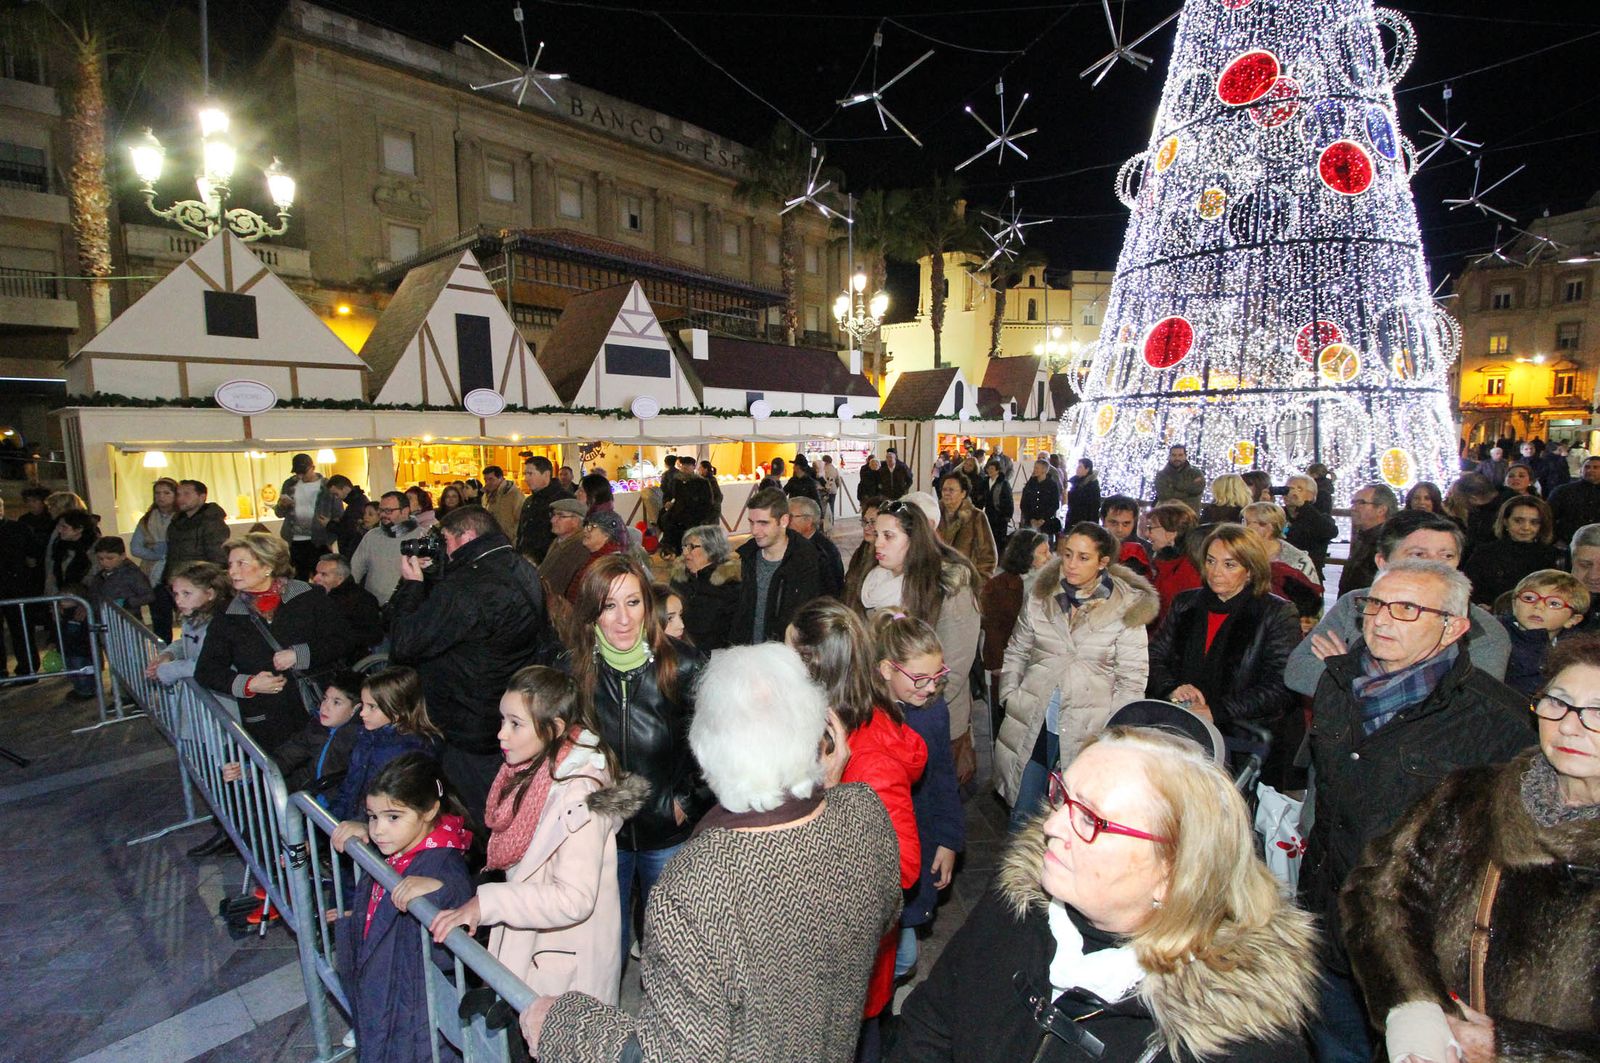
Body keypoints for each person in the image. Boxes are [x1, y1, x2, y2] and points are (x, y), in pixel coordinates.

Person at [523, 643, 900, 1063]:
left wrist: (564, 1024)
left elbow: (672, 1056)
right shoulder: (865, 814)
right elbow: (883, 911)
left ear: (703, 750)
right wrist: (824, 787)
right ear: (818, 730)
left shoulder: (693, 887)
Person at [891, 726, 1318, 1063]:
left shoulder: (1239, 1043)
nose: (1052, 826)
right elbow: (931, 1022)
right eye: (1063, 797)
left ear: (1172, 873)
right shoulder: (1016, 903)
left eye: (1091, 819)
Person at [1302, 560, 1530, 1063]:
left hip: (1418, 952)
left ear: (1454, 627)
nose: (1381, 620)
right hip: (1328, 930)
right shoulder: (1338, 684)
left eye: (1406, 609)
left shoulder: (1498, 720)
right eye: (1375, 605)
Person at [1341, 635, 1600, 1063]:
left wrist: (1510, 1049)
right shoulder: (1471, 795)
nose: (1570, 725)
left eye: (1596, 713)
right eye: (1558, 702)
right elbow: (1380, 894)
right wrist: (1415, 1008)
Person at [427, 666, 644, 1004]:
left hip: (562, 970)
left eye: (515, 724)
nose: (501, 734)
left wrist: (487, 903)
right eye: (502, 721)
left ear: (554, 729)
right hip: (538, 952)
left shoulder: (577, 797)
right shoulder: (530, 774)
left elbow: (574, 899)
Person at [786, 600, 926, 1057]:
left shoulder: (869, 761)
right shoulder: (821, 730)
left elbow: (901, 872)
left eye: (788, 656)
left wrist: (832, 795)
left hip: (847, 971)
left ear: (816, 670)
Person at [563, 554, 706, 959]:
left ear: (647, 605)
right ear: (592, 614)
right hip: (601, 835)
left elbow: (716, 747)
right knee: (605, 944)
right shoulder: (573, 673)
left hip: (666, 831)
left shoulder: (684, 664)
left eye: (633, 602)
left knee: (668, 945)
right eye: (609, 605)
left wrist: (685, 801)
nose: (623, 619)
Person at [388, 505, 553, 822]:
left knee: (478, 813)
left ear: (467, 536)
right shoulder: (519, 566)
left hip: (468, 722)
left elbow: (405, 643)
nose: (442, 549)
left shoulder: (467, 586)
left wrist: (412, 584)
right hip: (506, 709)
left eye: (446, 540)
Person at [997, 522, 1157, 830]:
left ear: (1103, 562)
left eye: (1083, 557)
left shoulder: (1124, 608)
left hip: (1089, 727)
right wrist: (1010, 694)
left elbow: (1132, 679)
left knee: (1074, 819)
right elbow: (1017, 649)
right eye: (1067, 553)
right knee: (1023, 811)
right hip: (1036, 718)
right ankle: (1019, 878)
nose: (1071, 564)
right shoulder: (1042, 596)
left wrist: (1114, 732)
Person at [333, 753, 473, 1063]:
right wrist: (364, 837)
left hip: (412, 1018)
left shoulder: (443, 866)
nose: (380, 829)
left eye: (393, 817)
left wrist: (440, 891)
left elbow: (460, 901)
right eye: (372, 816)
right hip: (385, 999)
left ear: (430, 811)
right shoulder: (397, 849)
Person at [1288, 511, 1511, 695]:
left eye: (1447, 556)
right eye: (1418, 555)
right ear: (1383, 562)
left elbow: (1461, 705)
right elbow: (1298, 671)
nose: (1435, 566)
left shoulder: (1482, 631)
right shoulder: (1355, 604)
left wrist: (1345, 671)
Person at [848, 499, 983, 786]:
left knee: (930, 806)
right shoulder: (875, 582)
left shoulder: (949, 587)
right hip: (885, 716)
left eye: (889, 536)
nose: (878, 544)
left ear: (914, 540)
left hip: (931, 717)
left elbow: (956, 667)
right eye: (877, 533)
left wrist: (915, 710)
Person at [195, 532, 344, 754]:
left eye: (241, 563)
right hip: (265, 719)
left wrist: (300, 655)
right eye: (230, 565)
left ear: (267, 565)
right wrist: (249, 684)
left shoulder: (308, 597)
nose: (232, 571)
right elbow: (207, 670)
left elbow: (343, 640)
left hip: (316, 707)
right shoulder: (228, 614)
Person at [873, 616, 964, 976]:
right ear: (885, 669)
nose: (929, 688)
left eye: (937, 676)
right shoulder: (865, 714)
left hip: (920, 834)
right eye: (919, 679)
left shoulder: (932, 711)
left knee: (904, 957)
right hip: (881, 843)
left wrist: (948, 839)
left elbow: (943, 776)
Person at [1146, 524, 1299, 736]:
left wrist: (1217, 711)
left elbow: (1281, 685)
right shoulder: (1186, 603)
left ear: (1250, 570)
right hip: (1181, 720)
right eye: (1210, 561)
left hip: (1243, 731)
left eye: (1229, 565)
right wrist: (1173, 688)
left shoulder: (1276, 613)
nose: (1216, 572)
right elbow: (1154, 656)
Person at [327, 667, 442, 823]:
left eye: (372, 707)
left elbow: (396, 810)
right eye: (363, 705)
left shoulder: (412, 753)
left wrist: (362, 826)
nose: (362, 713)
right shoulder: (366, 737)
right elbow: (349, 789)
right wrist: (329, 824)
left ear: (397, 709)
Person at [979, 529, 1051, 732]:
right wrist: (996, 664)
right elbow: (992, 628)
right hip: (1012, 662)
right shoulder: (999, 587)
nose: (1050, 557)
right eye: (1044, 552)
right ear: (1027, 555)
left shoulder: (1051, 583)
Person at [730, 489, 821, 645]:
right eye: (751, 522)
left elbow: (807, 618)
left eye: (763, 523)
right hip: (746, 654)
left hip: (782, 656)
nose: (754, 531)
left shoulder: (805, 560)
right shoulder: (746, 555)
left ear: (784, 521)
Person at [1495, 569, 1588, 696]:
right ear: (1514, 604)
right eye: (1529, 598)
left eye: (1554, 603)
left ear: (1572, 620)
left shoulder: (1576, 652)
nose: (1538, 606)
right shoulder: (1495, 635)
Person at [273, 671, 365, 798]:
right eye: (325, 699)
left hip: (331, 805)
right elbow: (288, 755)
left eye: (336, 702)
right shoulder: (316, 727)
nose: (325, 707)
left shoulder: (358, 739)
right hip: (305, 795)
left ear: (355, 709)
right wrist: (255, 770)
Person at [144, 562, 232, 689]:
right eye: (176, 594)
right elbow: (187, 642)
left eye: (186, 593)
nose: (178, 601)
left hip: (219, 699)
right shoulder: (191, 618)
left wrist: (170, 670)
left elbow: (212, 664)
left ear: (210, 594)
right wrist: (169, 654)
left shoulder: (223, 624)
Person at [1461, 494, 1560, 606]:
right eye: (1518, 521)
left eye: (1534, 522)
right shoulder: (1485, 553)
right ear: (1505, 521)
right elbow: (1467, 588)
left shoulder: (1552, 556)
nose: (1526, 527)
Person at [668, 524, 741, 652]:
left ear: (712, 550)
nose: (685, 553)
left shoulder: (729, 584)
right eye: (684, 547)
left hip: (715, 656)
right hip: (678, 651)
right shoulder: (679, 579)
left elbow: (735, 632)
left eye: (691, 547)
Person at [348, 491, 427, 606]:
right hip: (374, 606)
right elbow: (355, 570)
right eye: (381, 510)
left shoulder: (422, 536)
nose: (383, 515)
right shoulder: (372, 536)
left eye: (388, 511)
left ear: (404, 511)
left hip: (408, 607)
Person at [273, 453, 340, 580]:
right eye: (298, 472)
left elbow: (338, 513)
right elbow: (278, 513)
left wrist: (331, 534)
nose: (300, 476)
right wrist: (283, 505)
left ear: (313, 467)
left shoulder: (326, 486)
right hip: (295, 540)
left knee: (323, 578)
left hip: (319, 540)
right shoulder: (289, 484)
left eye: (303, 472)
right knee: (297, 580)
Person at [310, 554, 383, 666]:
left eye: (323, 574)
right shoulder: (318, 596)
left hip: (346, 662)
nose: (315, 579)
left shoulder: (362, 600)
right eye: (316, 573)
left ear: (340, 578)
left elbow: (372, 635)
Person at [130, 477, 179, 641]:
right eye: (157, 493)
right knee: (160, 619)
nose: (161, 497)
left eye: (166, 492)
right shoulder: (147, 520)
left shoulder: (182, 518)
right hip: (154, 575)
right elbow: (135, 547)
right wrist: (157, 554)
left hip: (178, 572)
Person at [538, 499, 590, 631]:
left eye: (561, 516)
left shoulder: (579, 547)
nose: (553, 520)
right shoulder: (559, 542)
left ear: (577, 521)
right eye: (554, 515)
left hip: (562, 617)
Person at [1146, 501, 1202, 624]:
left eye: (1151, 528)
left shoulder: (1188, 569)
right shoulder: (1165, 561)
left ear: (1171, 534)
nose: (1147, 534)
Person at [1339, 482, 1398, 597]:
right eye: (1353, 503)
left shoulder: (1387, 544)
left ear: (1381, 510)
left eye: (1361, 503)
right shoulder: (1364, 538)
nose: (1353, 508)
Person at [1241, 501, 1319, 584]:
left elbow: (1312, 594)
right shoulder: (1238, 552)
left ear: (1267, 528)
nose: (1242, 527)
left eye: (1247, 522)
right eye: (1243, 521)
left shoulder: (1298, 561)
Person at [937, 471, 997, 579]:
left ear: (963, 493)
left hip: (965, 584)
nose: (946, 493)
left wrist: (978, 583)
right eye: (944, 489)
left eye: (951, 490)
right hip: (936, 581)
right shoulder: (935, 515)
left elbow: (988, 556)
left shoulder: (976, 517)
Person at [165, 479, 230, 572]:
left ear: (202, 497)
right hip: (178, 577)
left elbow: (218, 559)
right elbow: (171, 557)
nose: (180, 498)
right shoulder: (176, 523)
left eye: (187, 494)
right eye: (178, 494)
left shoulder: (212, 523)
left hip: (201, 579)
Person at [786, 497, 844, 599]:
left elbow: (831, 590)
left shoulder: (824, 551)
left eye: (790, 517)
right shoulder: (793, 543)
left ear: (808, 521)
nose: (785, 522)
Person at [1283, 473, 1338, 579]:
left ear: (1311, 495)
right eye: (1288, 489)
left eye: (1299, 489)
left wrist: (1303, 506)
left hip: (1308, 577)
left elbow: (1330, 532)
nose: (1292, 493)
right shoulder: (1278, 515)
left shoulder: (1319, 517)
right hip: (1279, 576)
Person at [567, 510, 628, 602]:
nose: (585, 530)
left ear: (607, 535)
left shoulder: (608, 564)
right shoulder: (595, 557)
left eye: (592, 527)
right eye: (586, 525)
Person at [516, 455, 567, 563]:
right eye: (525, 474)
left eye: (530, 474)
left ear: (546, 474)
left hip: (550, 563)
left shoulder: (563, 500)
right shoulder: (529, 501)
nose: (526, 478)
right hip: (526, 561)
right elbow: (521, 532)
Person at [658, 473, 717, 557]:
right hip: (682, 516)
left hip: (692, 516)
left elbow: (708, 503)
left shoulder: (702, 483)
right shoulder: (677, 482)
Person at [1548, 454, 1600, 546]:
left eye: (1596, 467)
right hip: (1567, 541)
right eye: (1587, 467)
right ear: (1581, 470)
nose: (1590, 470)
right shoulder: (1563, 491)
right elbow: (1548, 516)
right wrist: (1555, 539)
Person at [844, 497, 884, 604]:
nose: (866, 527)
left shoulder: (885, 558)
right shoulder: (861, 551)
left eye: (872, 522)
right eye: (865, 521)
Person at [326, 475, 371, 558]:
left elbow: (349, 530)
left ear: (346, 488)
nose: (336, 497)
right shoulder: (358, 501)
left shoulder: (356, 505)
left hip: (355, 553)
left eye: (336, 494)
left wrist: (329, 524)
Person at [1152, 444, 1205, 512]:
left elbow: (1197, 490)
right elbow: (1164, 496)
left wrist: (1173, 487)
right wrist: (1188, 492)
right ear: (1169, 456)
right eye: (1174, 455)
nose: (1177, 458)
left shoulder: (1196, 473)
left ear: (1185, 456)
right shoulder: (1161, 475)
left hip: (1190, 515)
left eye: (1180, 455)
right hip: (1167, 516)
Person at [481, 465, 525, 540]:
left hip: (509, 539)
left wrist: (511, 536)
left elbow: (520, 519)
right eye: (485, 480)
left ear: (500, 478)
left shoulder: (514, 495)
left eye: (491, 479)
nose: (488, 483)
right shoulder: (486, 495)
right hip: (492, 538)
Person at [1020, 458, 1062, 536]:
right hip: (1030, 522)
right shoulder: (1030, 484)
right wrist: (1031, 518)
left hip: (1046, 523)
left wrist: (1043, 519)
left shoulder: (1052, 485)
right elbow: (1024, 502)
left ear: (1044, 470)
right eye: (1034, 467)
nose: (1034, 470)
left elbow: (1054, 504)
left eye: (1037, 468)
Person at [980, 458, 1013, 549]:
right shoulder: (985, 481)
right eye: (988, 469)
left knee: (1000, 538)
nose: (989, 471)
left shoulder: (1004, 483)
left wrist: (1008, 515)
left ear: (997, 470)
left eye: (992, 469)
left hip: (1000, 515)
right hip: (989, 513)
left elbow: (1009, 500)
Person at [1065, 458, 1101, 528]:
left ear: (1087, 469)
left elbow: (1094, 507)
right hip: (1072, 519)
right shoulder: (1076, 482)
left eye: (1080, 467)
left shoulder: (1092, 486)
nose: (1077, 469)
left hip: (1084, 523)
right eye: (1077, 467)